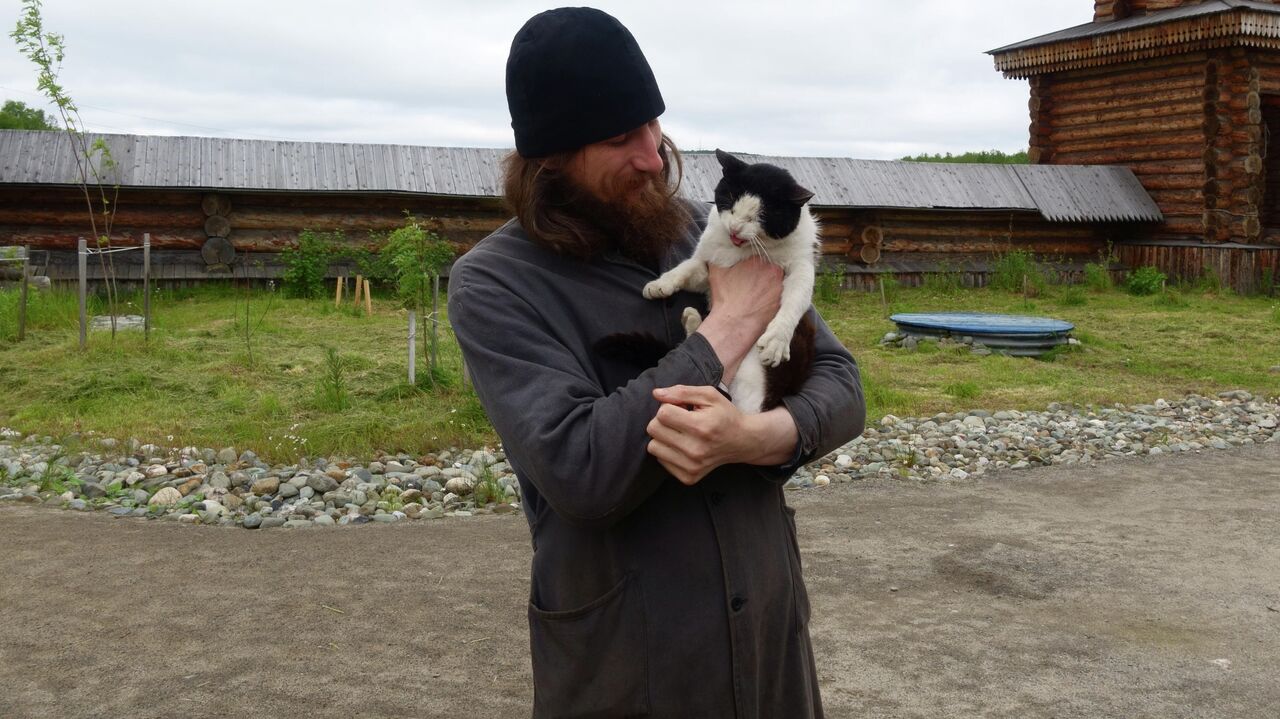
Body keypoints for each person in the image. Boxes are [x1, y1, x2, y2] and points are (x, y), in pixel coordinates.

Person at [447, 7, 865, 718]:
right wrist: (725, 328)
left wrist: (766, 436)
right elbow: (581, 468)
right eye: (620, 138)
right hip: (628, 667)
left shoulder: (700, 235)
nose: (653, 154)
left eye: (653, 124)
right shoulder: (495, 285)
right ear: (552, 160)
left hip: (766, 645)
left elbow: (841, 384)